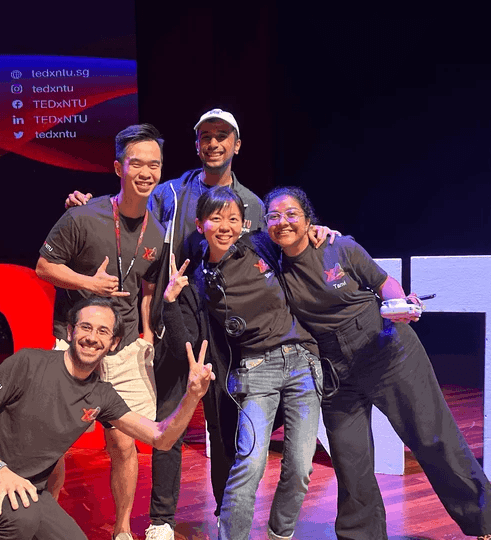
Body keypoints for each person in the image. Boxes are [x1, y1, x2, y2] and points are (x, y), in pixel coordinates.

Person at [65, 109, 334, 540]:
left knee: (223, 426)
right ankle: (162, 520)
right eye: (206, 136)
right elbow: (126, 209)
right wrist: (91, 205)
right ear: (196, 144)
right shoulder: (170, 192)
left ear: (236, 145)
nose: (214, 143)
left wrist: (317, 231)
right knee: (170, 414)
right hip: (176, 313)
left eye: (222, 136)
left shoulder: (253, 204)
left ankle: (227, 519)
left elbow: (283, 242)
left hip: (229, 330)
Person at [262, 186, 491, 540]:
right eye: (273, 215)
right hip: (334, 369)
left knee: (432, 437)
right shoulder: (273, 263)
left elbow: (384, 282)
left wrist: (400, 303)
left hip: (385, 349)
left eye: (291, 214)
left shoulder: (338, 247)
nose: (282, 222)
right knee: (350, 462)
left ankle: (487, 521)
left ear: (308, 220)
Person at [0, 297, 215, 540]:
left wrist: (191, 396)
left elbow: (161, 438)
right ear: (71, 331)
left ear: (113, 343)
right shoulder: (28, 363)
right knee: (20, 518)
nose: (92, 337)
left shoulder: (102, 395)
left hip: (31, 494)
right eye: (85, 327)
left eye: (103, 331)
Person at [35, 124, 166, 540]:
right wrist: (89, 284)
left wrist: (145, 333)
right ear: (118, 167)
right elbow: (44, 267)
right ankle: (43, 522)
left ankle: (123, 530)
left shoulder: (157, 231)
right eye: (137, 163)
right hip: (76, 343)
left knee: (125, 444)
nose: (146, 172)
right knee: (54, 442)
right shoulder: (81, 216)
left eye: (154, 164)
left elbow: (146, 287)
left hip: (124, 349)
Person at [179, 186, 323, 540]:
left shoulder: (260, 244)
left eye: (232, 218)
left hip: (303, 362)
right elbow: (188, 328)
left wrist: (320, 230)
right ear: (201, 225)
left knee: (301, 467)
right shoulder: (200, 278)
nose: (225, 226)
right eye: (216, 219)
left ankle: (279, 534)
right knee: (250, 463)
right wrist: (170, 300)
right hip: (256, 371)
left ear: (244, 222)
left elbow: (294, 237)